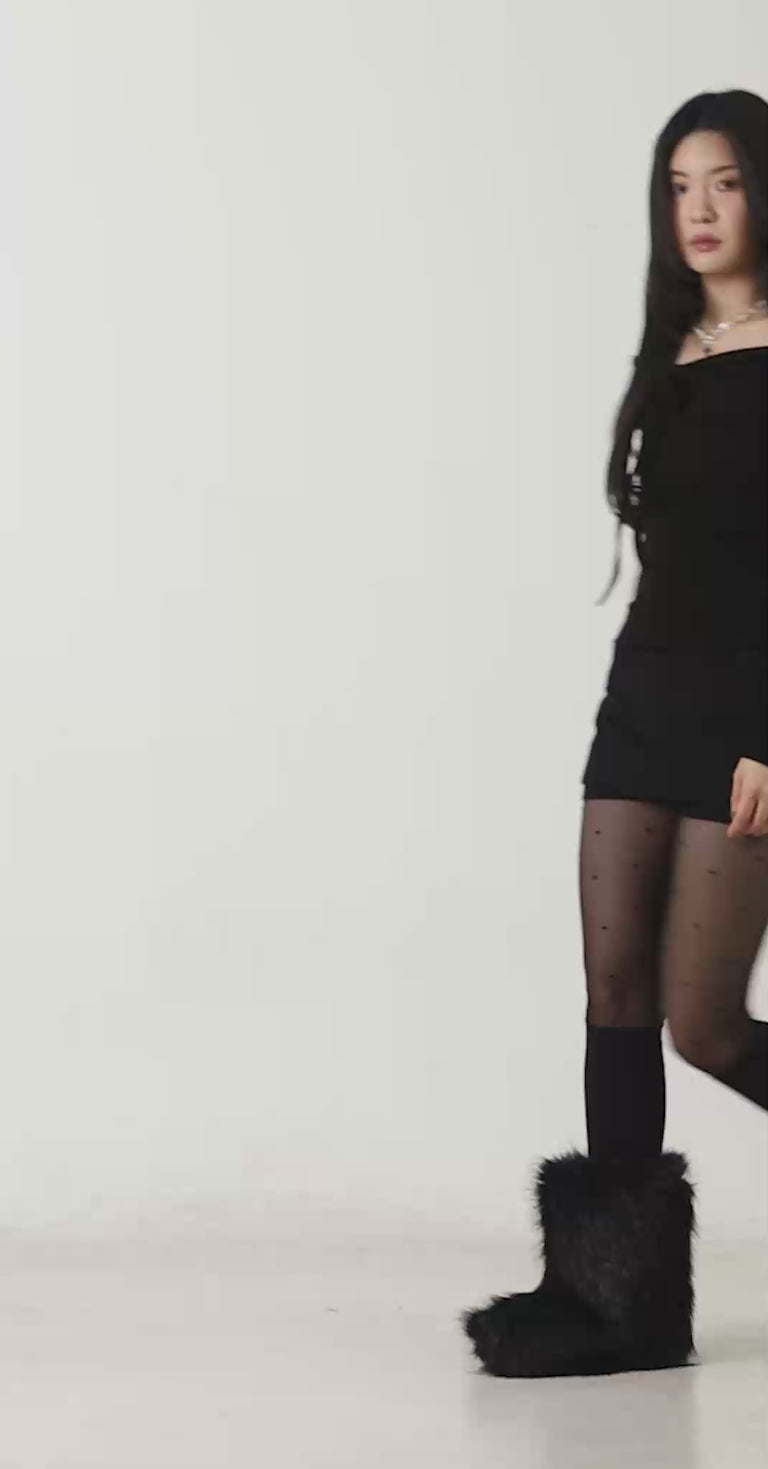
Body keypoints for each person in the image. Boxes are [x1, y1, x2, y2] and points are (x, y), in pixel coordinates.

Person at [461, 89, 768, 1379]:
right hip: (641, 704)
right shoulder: (672, 351)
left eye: (726, 182)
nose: (699, 210)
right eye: (678, 186)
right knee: (614, 994)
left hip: (748, 720)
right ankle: (615, 1303)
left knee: (706, 1024)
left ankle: (621, 1301)